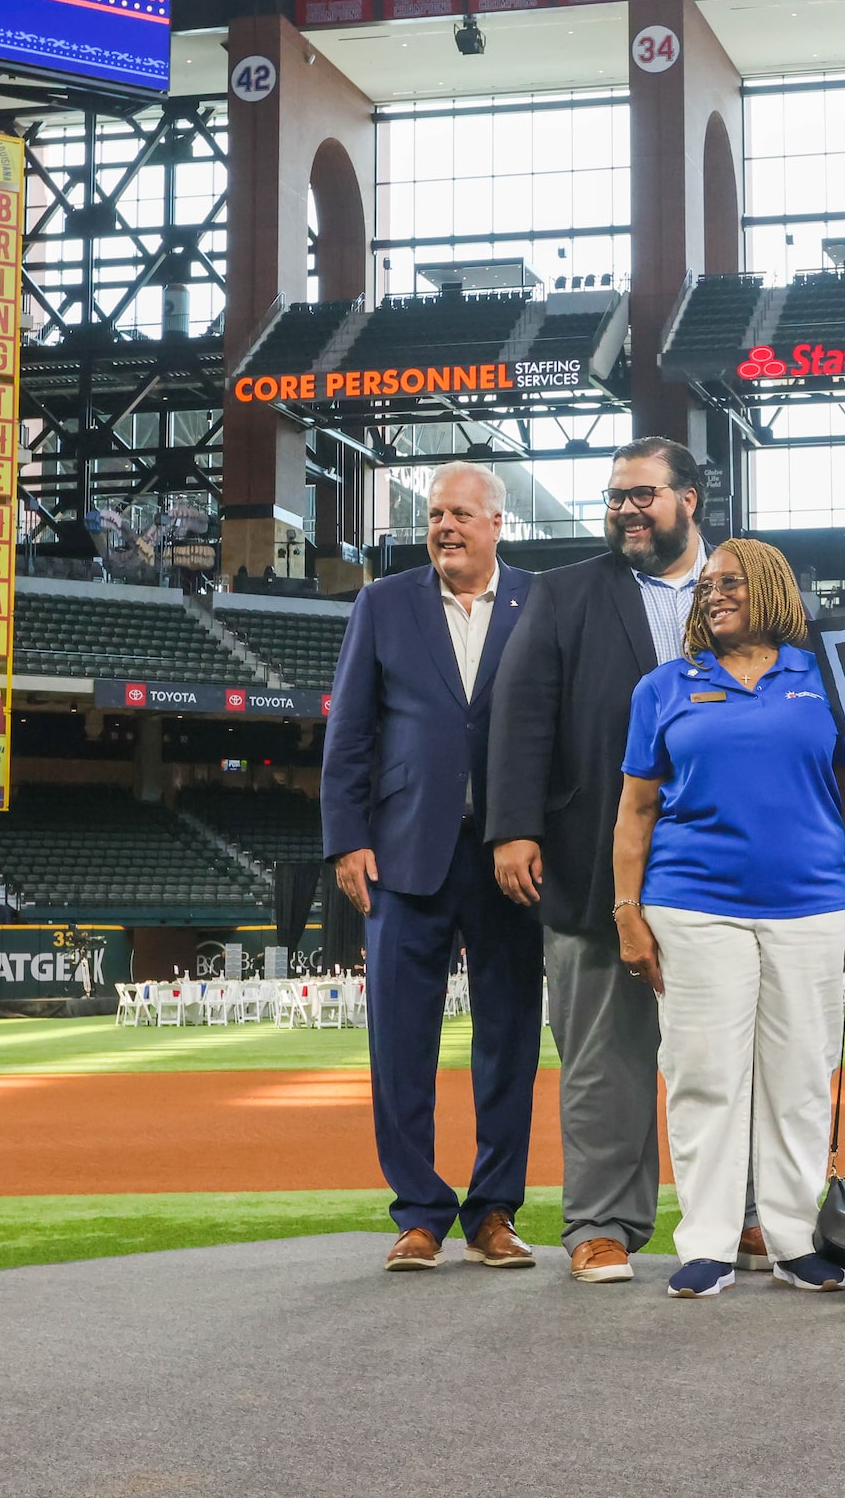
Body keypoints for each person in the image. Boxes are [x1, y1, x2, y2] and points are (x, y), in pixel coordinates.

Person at [488, 437, 763, 1283]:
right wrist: (512, 826)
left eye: (641, 495)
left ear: (689, 498)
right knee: (602, 1056)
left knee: (733, 1053)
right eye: (613, 498)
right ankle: (601, 1224)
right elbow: (521, 710)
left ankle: (748, 1212)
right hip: (591, 862)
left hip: (727, 860)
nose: (624, 510)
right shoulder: (565, 593)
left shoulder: (751, 588)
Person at [611, 538, 845, 1297]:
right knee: (703, 1077)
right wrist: (626, 911)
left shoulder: (823, 679)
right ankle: (707, 1244)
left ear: (769, 587)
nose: (713, 594)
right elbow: (634, 811)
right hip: (692, 907)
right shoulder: (664, 686)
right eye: (704, 586)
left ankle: (795, 1240)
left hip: (814, 907)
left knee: (800, 1077)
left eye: (729, 582)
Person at [323, 461, 542, 1272]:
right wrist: (346, 837)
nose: (443, 527)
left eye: (458, 514)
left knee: (509, 1041)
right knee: (400, 1045)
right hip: (402, 855)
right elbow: (349, 729)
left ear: (495, 523)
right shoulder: (382, 603)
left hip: (509, 857)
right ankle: (419, 1212)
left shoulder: (537, 602)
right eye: (433, 516)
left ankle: (494, 1211)